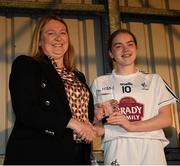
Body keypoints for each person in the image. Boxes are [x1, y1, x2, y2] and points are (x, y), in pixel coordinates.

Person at [4, 15, 97, 165]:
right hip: (40, 152)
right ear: (40, 41)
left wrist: (97, 114)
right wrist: (73, 123)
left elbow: (79, 112)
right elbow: (26, 110)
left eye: (63, 32)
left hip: (77, 155)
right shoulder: (27, 65)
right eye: (51, 33)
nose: (58, 38)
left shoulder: (77, 75)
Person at [91, 29, 179, 165]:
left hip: (150, 149)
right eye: (118, 46)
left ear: (136, 49)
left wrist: (131, 126)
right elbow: (95, 125)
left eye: (130, 44)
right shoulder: (99, 83)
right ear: (111, 54)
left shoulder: (154, 80)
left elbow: (166, 119)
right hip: (117, 149)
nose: (125, 49)